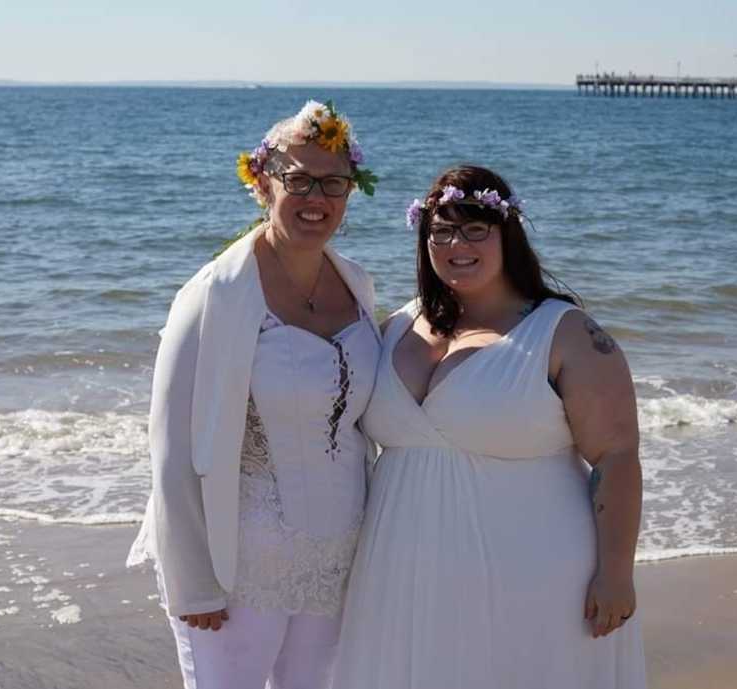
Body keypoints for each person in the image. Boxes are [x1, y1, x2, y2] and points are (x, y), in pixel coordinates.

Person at [333, 165, 647, 688]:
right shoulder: (395, 326)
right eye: (442, 230)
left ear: (508, 234)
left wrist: (616, 573)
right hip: (402, 572)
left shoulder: (564, 333)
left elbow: (616, 455)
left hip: (530, 573)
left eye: (476, 228)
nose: (458, 243)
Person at [127, 99, 381, 689]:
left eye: (334, 183)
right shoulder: (213, 294)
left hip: (334, 561)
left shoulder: (358, 283)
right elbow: (168, 447)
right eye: (298, 180)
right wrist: (195, 584)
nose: (316, 198)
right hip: (235, 566)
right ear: (264, 182)